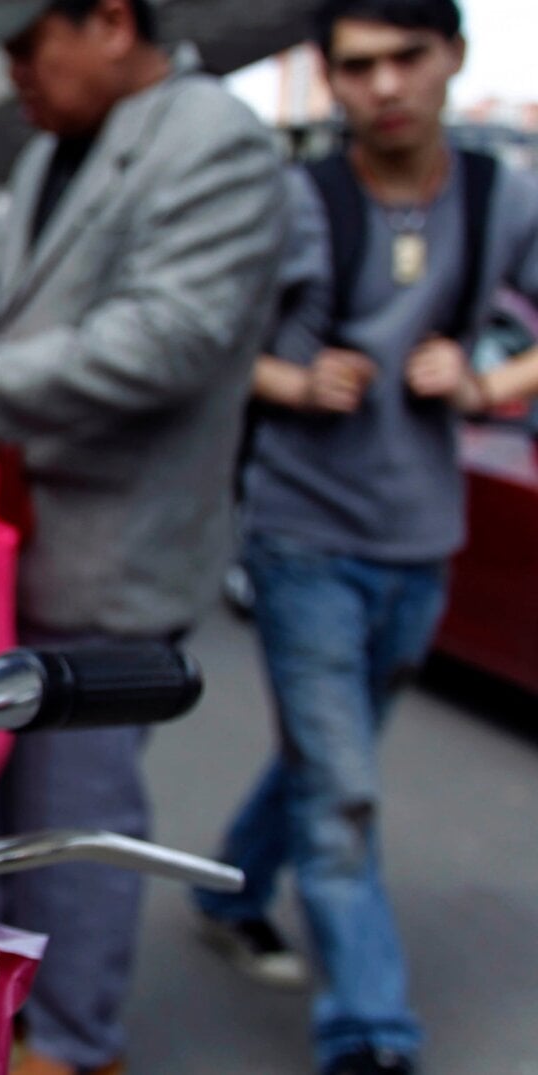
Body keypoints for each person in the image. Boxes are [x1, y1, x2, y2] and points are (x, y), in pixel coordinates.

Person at [0, 2, 287, 1072]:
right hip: (13, 544)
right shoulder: (55, 155)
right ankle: (7, 1014)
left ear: (112, 21)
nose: (13, 74)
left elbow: (169, 340)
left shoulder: (214, 140)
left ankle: (76, 1042)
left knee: (75, 813)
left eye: (29, 45)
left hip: (109, 552)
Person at [191, 2, 538, 1074]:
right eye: (356, 67)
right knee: (341, 783)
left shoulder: (499, 195)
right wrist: (294, 379)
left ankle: (233, 882)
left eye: (405, 60)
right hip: (303, 537)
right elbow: (199, 336)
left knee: (329, 757)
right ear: (330, 82)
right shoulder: (296, 203)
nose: (382, 85)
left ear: (452, 62)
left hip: (422, 533)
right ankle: (371, 1033)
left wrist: (486, 383)